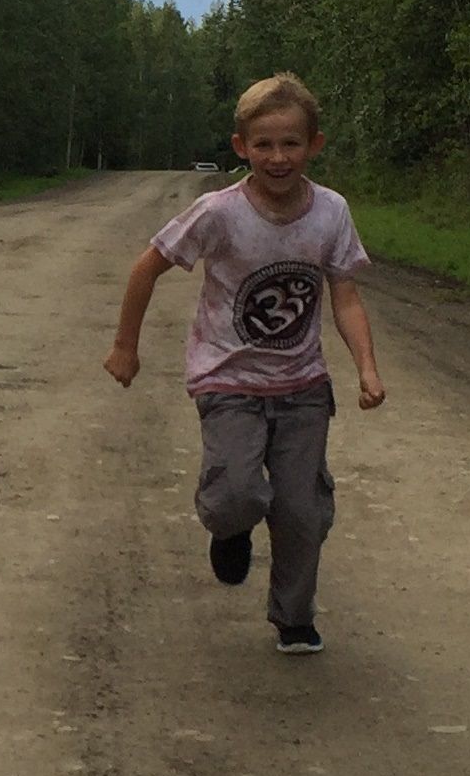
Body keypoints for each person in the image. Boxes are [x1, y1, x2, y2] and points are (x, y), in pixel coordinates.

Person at [103, 72, 385, 652]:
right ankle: (230, 529)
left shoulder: (331, 212)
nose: (278, 157)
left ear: (314, 145)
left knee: (302, 511)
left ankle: (294, 617)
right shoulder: (218, 212)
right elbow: (145, 268)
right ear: (241, 148)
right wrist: (126, 345)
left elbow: (346, 294)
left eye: (291, 144)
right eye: (263, 145)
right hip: (226, 377)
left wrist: (366, 368)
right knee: (236, 493)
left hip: (303, 383)